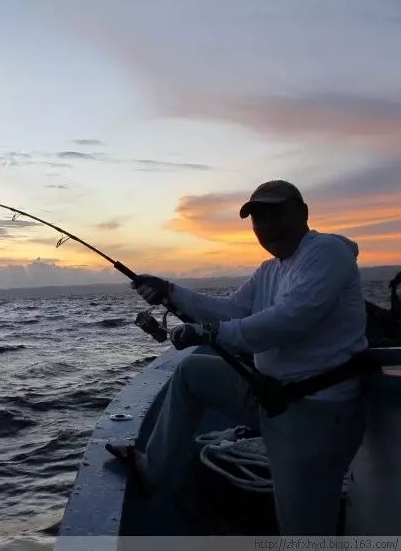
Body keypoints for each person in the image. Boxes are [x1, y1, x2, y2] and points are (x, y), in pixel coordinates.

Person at [107, 180, 368, 535]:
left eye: (276, 212)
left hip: (316, 411)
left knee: (303, 531)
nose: (267, 225)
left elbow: (291, 320)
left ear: (303, 212)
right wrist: (171, 291)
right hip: (270, 394)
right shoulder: (270, 270)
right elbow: (230, 310)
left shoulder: (326, 252)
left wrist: (212, 333)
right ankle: (151, 471)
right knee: (192, 374)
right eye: (258, 218)